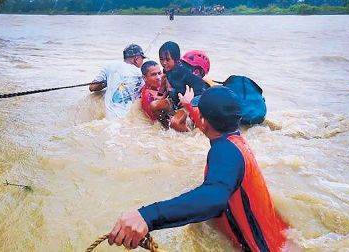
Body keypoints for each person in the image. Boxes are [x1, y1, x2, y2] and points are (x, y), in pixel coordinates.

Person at [107, 86, 288, 251]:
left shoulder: (225, 152)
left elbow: (214, 198)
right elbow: (207, 124)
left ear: (204, 119)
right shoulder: (234, 141)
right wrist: (188, 106)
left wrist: (147, 216)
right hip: (278, 238)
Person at [159, 41, 208, 131]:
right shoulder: (168, 70)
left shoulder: (185, 74)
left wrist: (187, 106)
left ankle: (188, 133)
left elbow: (199, 96)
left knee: (175, 122)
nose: (164, 63)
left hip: (192, 102)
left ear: (177, 59)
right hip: (180, 101)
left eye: (167, 59)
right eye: (161, 59)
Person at [89, 44, 146, 118]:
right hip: (130, 117)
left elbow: (92, 87)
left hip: (110, 116)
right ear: (136, 59)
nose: (142, 62)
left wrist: (106, 83)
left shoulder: (109, 66)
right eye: (142, 58)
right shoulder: (142, 72)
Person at [140, 60, 171, 125]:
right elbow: (155, 122)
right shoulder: (148, 96)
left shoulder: (157, 86)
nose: (158, 77)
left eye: (159, 73)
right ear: (144, 78)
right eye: (153, 74)